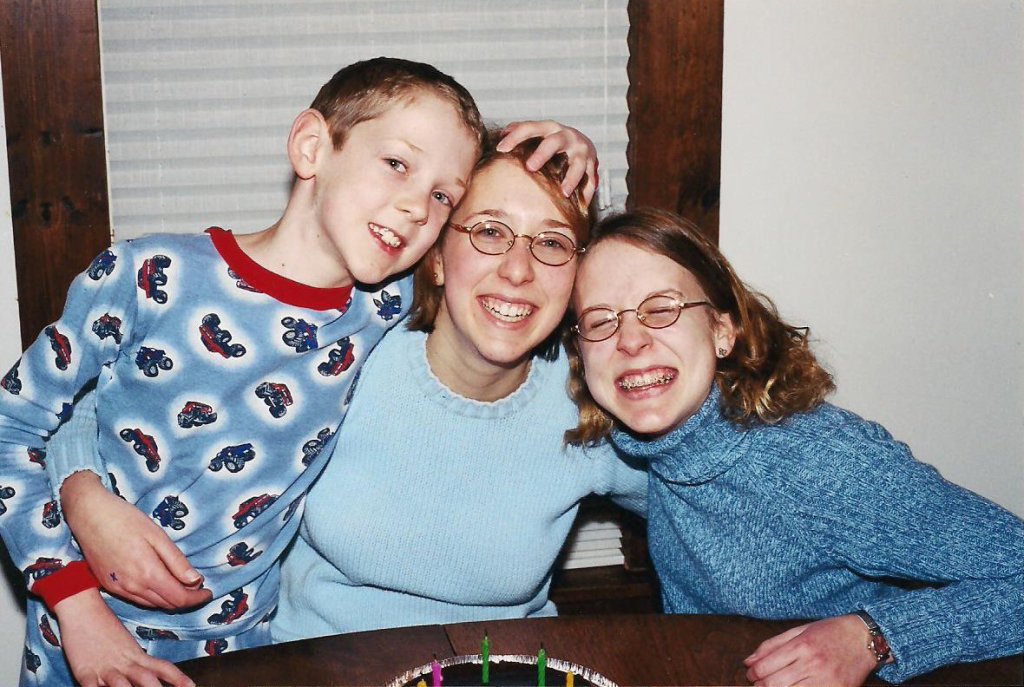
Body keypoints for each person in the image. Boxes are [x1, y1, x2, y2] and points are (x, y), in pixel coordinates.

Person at [0, 56, 590, 687]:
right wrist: (75, 600)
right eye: (397, 164)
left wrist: (563, 151)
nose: (419, 207)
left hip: (246, 649)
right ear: (312, 147)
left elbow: (490, 270)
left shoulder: (381, 308)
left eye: (443, 195)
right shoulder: (149, 276)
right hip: (83, 642)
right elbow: (18, 423)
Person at [53, 133, 646, 647]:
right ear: (437, 258)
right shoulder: (344, 349)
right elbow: (83, 402)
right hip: (315, 668)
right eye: (490, 231)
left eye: (552, 242)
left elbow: (693, 483)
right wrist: (84, 495)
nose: (518, 270)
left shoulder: (588, 403)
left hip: (502, 671)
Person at [565, 207, 1024, 686]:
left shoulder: (819, 462)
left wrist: (875, 637)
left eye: (661, 309)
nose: (630, 340)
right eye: (600, 321)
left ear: (722, 331)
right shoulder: (649, 447)